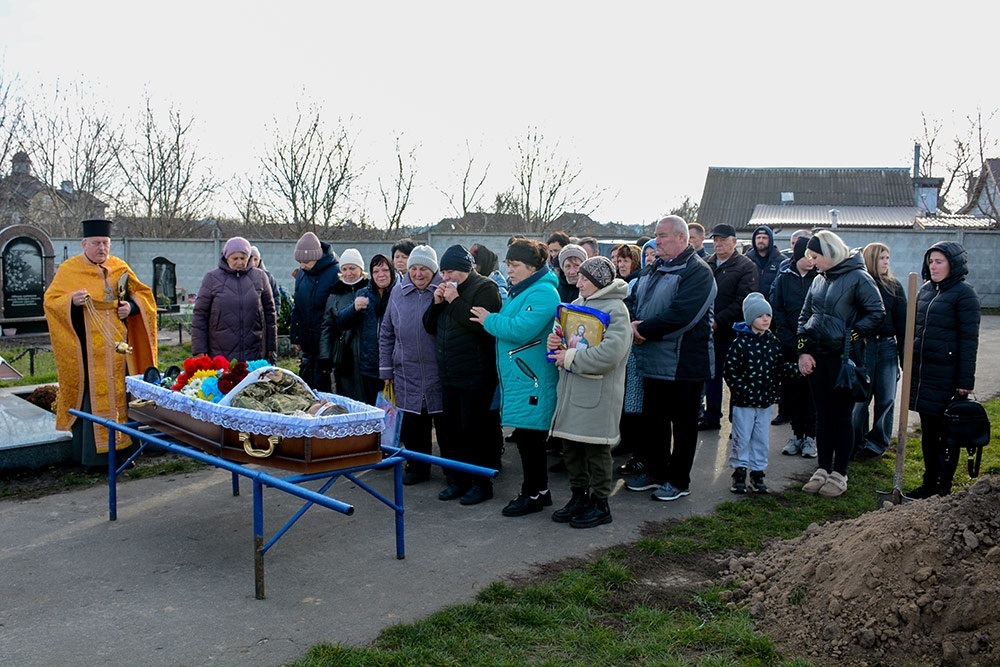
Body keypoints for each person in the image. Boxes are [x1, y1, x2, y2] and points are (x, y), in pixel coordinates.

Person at [43, 219, 158, 467]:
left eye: (105, 243)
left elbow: (143, 294)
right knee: (91, 397)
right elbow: (51, 302)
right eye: (96, 243)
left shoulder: (119, 266)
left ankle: (126, 452)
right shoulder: (69, 269)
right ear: (84, 244)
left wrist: (132, 306)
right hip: (87, 350)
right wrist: (71, 301)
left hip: (118, 348)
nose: (102, 248)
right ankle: (92, 457)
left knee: (122, 396)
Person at [624, 215, 716, 502]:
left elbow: (682, 315)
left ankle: (678, 480)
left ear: (681, 237)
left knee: (684, 424)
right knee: (654, 420)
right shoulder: (654, 269)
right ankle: (655, 472)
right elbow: (634, 301)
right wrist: (631, 323)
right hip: (653, 360)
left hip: (685, 362)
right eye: (656, 235)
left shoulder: (697, 272)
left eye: (662, 235)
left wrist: (642, 329)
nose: (657, 241)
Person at [470, 238, 560, 517]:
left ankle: (531, 494)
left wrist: (489, 320)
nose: (510, 269)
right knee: (526, 437)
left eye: (516, 265)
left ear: (533, 267)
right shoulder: (524, 290)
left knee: (531, 439)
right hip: (523, 375)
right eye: (508, 264)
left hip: (532, 377)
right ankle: (540, 491)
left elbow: (521, 329)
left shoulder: (543, 293)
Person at [797, 231, 884, 498]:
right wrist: (802, 352)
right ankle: (822, 468)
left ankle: (840, 473)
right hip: (817, 359)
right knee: (822, 416)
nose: (812, 261)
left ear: (831, 253)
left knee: (841, 417)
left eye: (815, 256)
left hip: (844, 361)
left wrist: (851, 336)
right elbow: (804, 315)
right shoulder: (818, 280)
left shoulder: (859, 277)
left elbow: (876, 312)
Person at [547, 256, 632, 528]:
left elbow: (610, 354)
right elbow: (565, 336)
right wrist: (555, 341)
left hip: (599, 394)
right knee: (571, 448)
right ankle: (578, 497)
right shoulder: (578, 304)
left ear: (598, 282)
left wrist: (569, 357)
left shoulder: (617, 309)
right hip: (572, 390)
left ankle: (600, 503)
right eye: (579, 277)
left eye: (585, 278)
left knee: (596, 450)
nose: (578, 281)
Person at [423, 245, 503, 505]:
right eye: (443, 272)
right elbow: (428, 326)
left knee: (475, 432)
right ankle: (457, 480)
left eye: (451, 271)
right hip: (448, 373)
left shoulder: (485, 289)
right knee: (450, 432)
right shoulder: (445, 292)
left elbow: (478, 327)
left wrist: (455, 300)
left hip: (476, 374)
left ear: (466, 269)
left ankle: (481, 484)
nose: (446, 277)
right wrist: (436, 305)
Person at [908, 242, 981, 499]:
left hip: (948, 377)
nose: (933, 266)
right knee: (928, 433)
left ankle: (942, 487)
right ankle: (930, 483)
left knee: (946, 436)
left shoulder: (965, 295)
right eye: (930, 261)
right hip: (925, 375)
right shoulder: (926, 291)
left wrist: (965, 381)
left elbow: (969, 340)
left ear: (954, 264)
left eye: (939, 261)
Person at [379, 245, 446, 485]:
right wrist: (386, 368)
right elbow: (386, 332)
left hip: (437, 371)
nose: (418, 274)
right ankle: (418, 467)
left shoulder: (443, 291)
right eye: (414, 268)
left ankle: (451, 470)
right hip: (405, 369)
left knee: (443, 423)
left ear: (434, 269)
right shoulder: (398, 292)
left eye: (424, 269)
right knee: (414, 424)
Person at [724, 293, 797, 494]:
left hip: (765, 402)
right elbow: (730, 372)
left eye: (768, 315)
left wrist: (799, 369)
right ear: (750, 318)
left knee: (761, 439)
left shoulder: (772, 343)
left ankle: (757, 473)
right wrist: (744, 390)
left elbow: (779, 367)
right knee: (741, 437)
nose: (766, 319)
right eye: (760, 315)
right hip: (744, 403)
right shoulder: (740, 344)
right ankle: (739, 472)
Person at [699, 224, 757, 431]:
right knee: (711, 377)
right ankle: (712, 416)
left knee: (735, 379)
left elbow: (743, 301)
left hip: (732, 332)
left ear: (734, 241)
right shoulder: (707, 263)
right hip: (708, 331)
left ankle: (737, 423)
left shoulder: (745, 266)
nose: (718, 244)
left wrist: (718, 320)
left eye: (723, 240)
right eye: (715, 240)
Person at [852, 242, 907, 460]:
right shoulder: (859, 284)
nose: (886, 262)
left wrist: (904, 359)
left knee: (886, 398)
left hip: (887, 347)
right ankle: (856, 441)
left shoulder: (894, 286)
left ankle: (876, 444)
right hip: (864, 346)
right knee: (859, 400)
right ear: (871, 259)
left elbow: (903, 324)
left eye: (888, 258)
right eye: (882, 258)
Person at [191, 236, 277, 363]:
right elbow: (200, 315)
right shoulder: (212, 278)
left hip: (254, 349)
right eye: (235, 258)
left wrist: (271, 345)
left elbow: (270, 312)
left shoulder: (260, 277)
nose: (239, 262)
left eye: (243, 258)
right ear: (226, 258)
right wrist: (199, 349)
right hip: (220, 351)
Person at [770, 237, 819, 457]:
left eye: (814, 257)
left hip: (812, 347)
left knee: (811, 393)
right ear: (798, 256)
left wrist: (807, 344)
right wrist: (788, 339)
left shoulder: (820, 278)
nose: (811, 261)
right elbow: (778, 310)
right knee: (793, 392)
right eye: (807, 256)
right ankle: (796, 435)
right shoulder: (784, 278)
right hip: (789, 345)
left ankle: (811, 437)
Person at [336, 253, 397, 405]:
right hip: (369, 366)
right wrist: (354, 308)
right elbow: (341, 321)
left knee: (395, 414)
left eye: (385, 270)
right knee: (373, 408)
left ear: (392, 271)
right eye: (376, 271)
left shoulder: (399, 293)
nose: (380, 275)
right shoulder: (364, 293)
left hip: (395, 366)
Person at [291, 231, 340, 392]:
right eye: (299, 261)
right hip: (307, 341)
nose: (302, 265)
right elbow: (297, 306)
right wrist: (296, 336)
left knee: (324, 386)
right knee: (306, 385)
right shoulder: (301, 275)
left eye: (306, 261)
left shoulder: (335, 272)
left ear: (317, 257)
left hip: (327, 341)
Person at [319, 248, 368, 401]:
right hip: (344, 355)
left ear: (361, 269)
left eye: (352, 268)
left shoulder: (371, 290)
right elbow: (327, 327)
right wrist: (325, 356)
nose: (349, 273)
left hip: (368, 354)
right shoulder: (334, 295)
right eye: (345, 269)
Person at [746, 225, 784, 298]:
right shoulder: (746, 260)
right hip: (750, 305)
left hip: (772, 305)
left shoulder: (781, 261)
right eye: (758, 238)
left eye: (764, 238)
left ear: (770, 240)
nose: (761, 240)